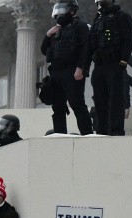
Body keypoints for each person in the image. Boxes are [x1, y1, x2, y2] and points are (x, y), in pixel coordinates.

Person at [40, 0, 93, 136]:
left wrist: (80, 68)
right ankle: (60, 135)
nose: (59, 14)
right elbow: (44, 50)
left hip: (72, 70)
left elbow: (86, 49)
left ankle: (87, 134)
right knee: (58, 107)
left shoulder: (80, 26)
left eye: (62, 10)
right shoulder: (56, 30)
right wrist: (48, 35)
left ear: (72, 11)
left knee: (77, 105)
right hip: (56, 72)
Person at [84, 0, 132, 136]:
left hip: (115, 64)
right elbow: (89, 44)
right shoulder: (97, 20)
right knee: (100, 101)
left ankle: (116, 131)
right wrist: (84, 65)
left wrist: (124, 60)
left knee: (116, 100)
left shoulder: (122, 17)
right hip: (99, 66)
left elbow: (128, 40)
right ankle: (102, 131)